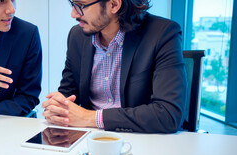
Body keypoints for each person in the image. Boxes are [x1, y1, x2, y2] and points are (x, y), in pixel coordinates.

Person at [42, 0, 187, 133]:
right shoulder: (77, 36)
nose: (73, 13)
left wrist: (89, 117)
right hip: (89, 139)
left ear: (114, 5)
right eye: (72, 4)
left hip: (141, 138)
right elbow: (68, 93)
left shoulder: (162, 33)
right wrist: (58, 108)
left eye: (81, 6)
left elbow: (168, 114)